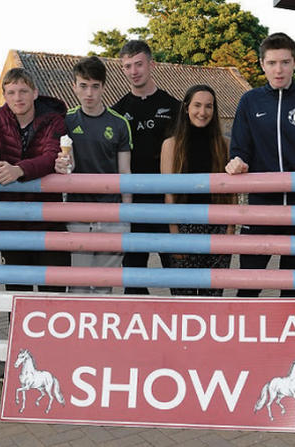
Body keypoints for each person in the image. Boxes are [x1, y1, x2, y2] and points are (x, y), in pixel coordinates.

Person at [224, 32, 295, 297]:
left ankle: (288, 339)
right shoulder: (250, 101)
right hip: (260, 209)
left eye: (284, 62)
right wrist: (236, 162)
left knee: (291, 290)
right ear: (262, 65)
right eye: (272, 63)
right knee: (248, 286)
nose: (278, 69)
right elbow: (239, 148)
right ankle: (244, 338)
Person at [0, 67, 69, 293]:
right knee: (18, 292)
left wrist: (19, 170)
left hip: (49, 219)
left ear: (35, 93)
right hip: (11, 220)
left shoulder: (54, 120)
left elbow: (51, 156)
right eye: (11, 92)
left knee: (54, 291)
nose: (18, 98)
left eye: (23, 91)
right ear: (5, 96)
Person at [54, 56, 131, 294]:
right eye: (83, 85)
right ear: (73, 87)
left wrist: (126, 215)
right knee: (77, 286)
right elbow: (62, 166)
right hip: (78, 214)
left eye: (95, 86)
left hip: (111, 215)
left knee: (103, 288)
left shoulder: (119, 123)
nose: (89, 93)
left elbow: (125, 171)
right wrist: (61, 165)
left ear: (103, 87)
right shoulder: (65, 121)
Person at [113, 40, 180, 295]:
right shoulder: (117, 113)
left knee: (177, 274)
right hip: (132, 205)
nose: (133, 71)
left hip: (168, 203)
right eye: (127, 66)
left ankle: (182, 329)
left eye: (138, 64)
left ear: (151, 64)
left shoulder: (175, 107)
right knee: (133, 277)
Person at [160, 84, 235, 296]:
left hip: (217, 227)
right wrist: (175, 235)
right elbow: (168, 194)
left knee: (213, 296)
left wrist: (230, 232)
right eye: (197, 105)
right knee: (184, 296)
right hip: (184, 227)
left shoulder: (225, 144)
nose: (203, 112)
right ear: (186, 108)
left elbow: (232, 194)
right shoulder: (171, 145)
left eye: (209, 106)